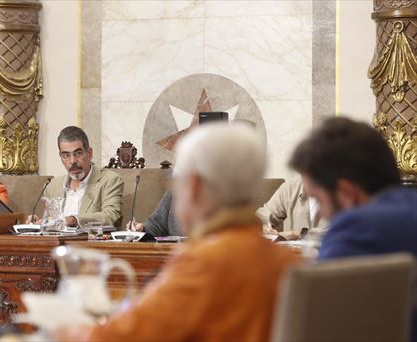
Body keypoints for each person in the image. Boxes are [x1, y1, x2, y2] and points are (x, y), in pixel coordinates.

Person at [58, 123, 301, 341]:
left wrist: (62, 330)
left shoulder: (201, 264)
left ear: (193, 186)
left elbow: (119, 337)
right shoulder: (289, 262)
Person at [289, 117, 417, 341]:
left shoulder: (358, 230)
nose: (321, 213)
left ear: (347, 193)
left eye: (318, 199)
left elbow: (315, 328)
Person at [30, 126, 123, 227]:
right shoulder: (52, 186)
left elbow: (110, 216)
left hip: (89, 241)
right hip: (56, 241)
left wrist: (75, 220)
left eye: (78, 153)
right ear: (61, 157)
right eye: (66, 155)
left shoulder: (109, 180)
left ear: (90, 153)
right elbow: (51, 221)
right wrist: (39, 222)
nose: (72, 161)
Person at [257, 178, 328, 240]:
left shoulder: (337, 191)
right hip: (292, 253)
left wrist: (301, 234)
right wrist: (264, 227)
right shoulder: (290, 189)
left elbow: (336, 232)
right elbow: (260, 217)